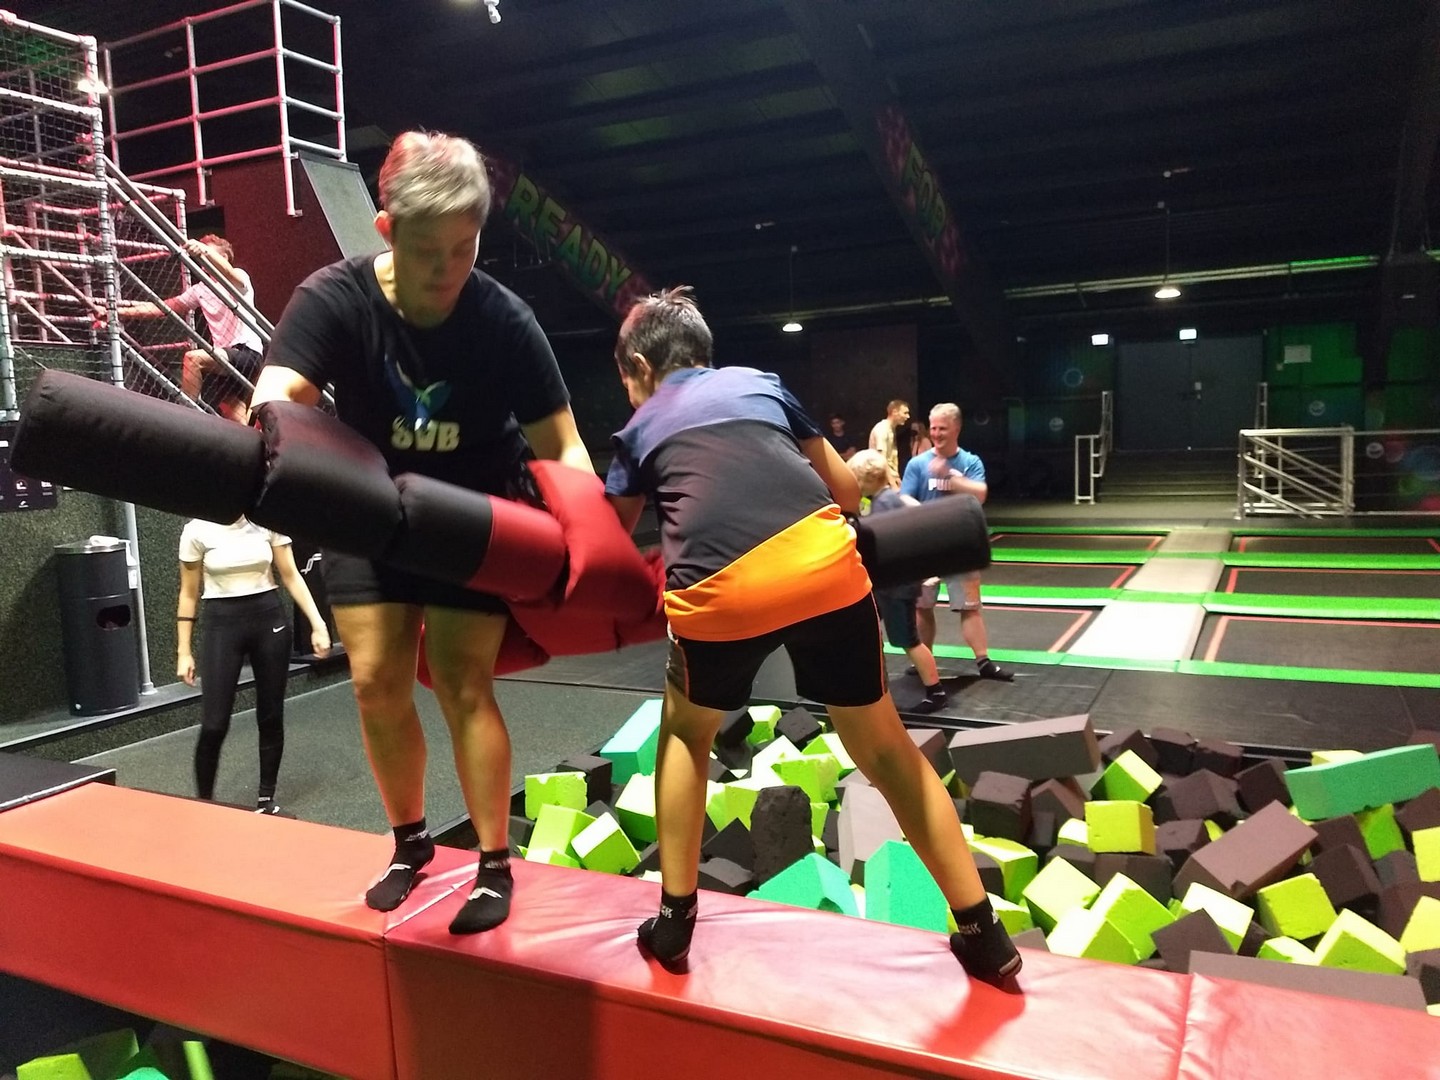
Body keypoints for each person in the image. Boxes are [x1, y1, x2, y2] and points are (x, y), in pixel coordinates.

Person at [604, 287, 1020, 986]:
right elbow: (847, 493)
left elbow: (607, 542)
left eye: (626, 383)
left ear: (641, 368)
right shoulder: (760, 384)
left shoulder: (641, 425)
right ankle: (984, 933)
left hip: (719, 596)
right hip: (827, 571)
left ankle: (674, 922)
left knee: (685, 735)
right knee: (886, 751)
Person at [249, 130, 592, 934]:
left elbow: (564, 445)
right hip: (370, 508)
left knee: (465, 681)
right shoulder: (335, 298)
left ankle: (494, 862)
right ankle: (410, 844)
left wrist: (590, 537)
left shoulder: (503, 318)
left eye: (464, 249)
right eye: (427, 251)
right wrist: (278, 430)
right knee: (376, 681)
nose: (447, 270)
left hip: (473, 513)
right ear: (386, 230)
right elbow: (276, 395)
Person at [177, 515, 331, 812]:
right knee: (214, 724)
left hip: (268, 621)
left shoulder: (267, 522)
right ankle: (203, 805)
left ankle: (265, 799)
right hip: (222, 626)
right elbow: (188, 593)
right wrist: (184, 650)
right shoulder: (197, 530)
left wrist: (318, 623)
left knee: (270, 716)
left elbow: (291, 575)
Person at [901, 403, 1012, 682]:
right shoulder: (917, 464)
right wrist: (926, 514)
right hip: (926, 547)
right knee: (922, 606)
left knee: (970, 606)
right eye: (934, 428)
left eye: (943, 428)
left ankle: (984, 661)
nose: (937, 434)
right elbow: (904, 498)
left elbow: (980, 494)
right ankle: (924, 659)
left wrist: (950, 478)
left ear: (957, 429)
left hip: (961, 547)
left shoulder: (970, 462)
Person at [116, 235, 265, 422]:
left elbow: (230, 273)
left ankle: (186, 419)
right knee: (233, 414)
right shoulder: (201, 289)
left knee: (193, 359)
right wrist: (117, 312)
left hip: (246, 351)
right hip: (224, 356)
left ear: (223, 257)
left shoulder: (238, 277)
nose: (202, 259)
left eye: (207, 253)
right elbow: (163, 307)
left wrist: (205, 250)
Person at [847, 449, 947, 712]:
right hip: (893, 585)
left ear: (866, 479)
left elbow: (878, 545)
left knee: (909, 640)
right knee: (875, 631)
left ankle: (936, 691)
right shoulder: (890, 499)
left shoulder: (884, 505)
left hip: (896, 588)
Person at [868, 399, 910, 487]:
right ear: (894, 412)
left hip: (889, 478)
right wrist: (892, 483)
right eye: (905, 413)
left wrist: (896, 478)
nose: (908, 416)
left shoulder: (890, 429)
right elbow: (881, 459)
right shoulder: (882, 429)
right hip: (882, 480)